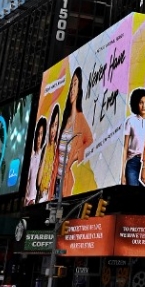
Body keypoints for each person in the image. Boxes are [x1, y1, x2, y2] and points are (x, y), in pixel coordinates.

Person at [57, 67, 93, 197]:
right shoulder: (64, 118)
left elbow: (90, 140)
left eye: (75, 85)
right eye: (71, 84)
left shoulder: (80, 119)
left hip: (65, 182)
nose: (72, 89)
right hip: (55, 180)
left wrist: (76, 155)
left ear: (79, 90)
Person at [121, 88, 145, 186]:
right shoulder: (130, 121)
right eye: (141, 102)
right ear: (137, 103)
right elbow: (125, 148)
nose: (143, 106)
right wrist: (122, 175)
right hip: (132, 161)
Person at [36, 104, 60, 202]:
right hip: (41, 197)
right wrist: (45, 152)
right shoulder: (46, 148)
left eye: (56, 125)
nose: (53, 130)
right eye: (52, 125)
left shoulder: (57, 149)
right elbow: (38, 182)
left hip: (50, 198)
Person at [25, 116, 46, 206]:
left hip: (37, 201)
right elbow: (28, 181)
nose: (39, 138)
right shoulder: (32, 158)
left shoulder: (44, 156)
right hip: (27, 201)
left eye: (41, 134)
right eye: (38, 134)